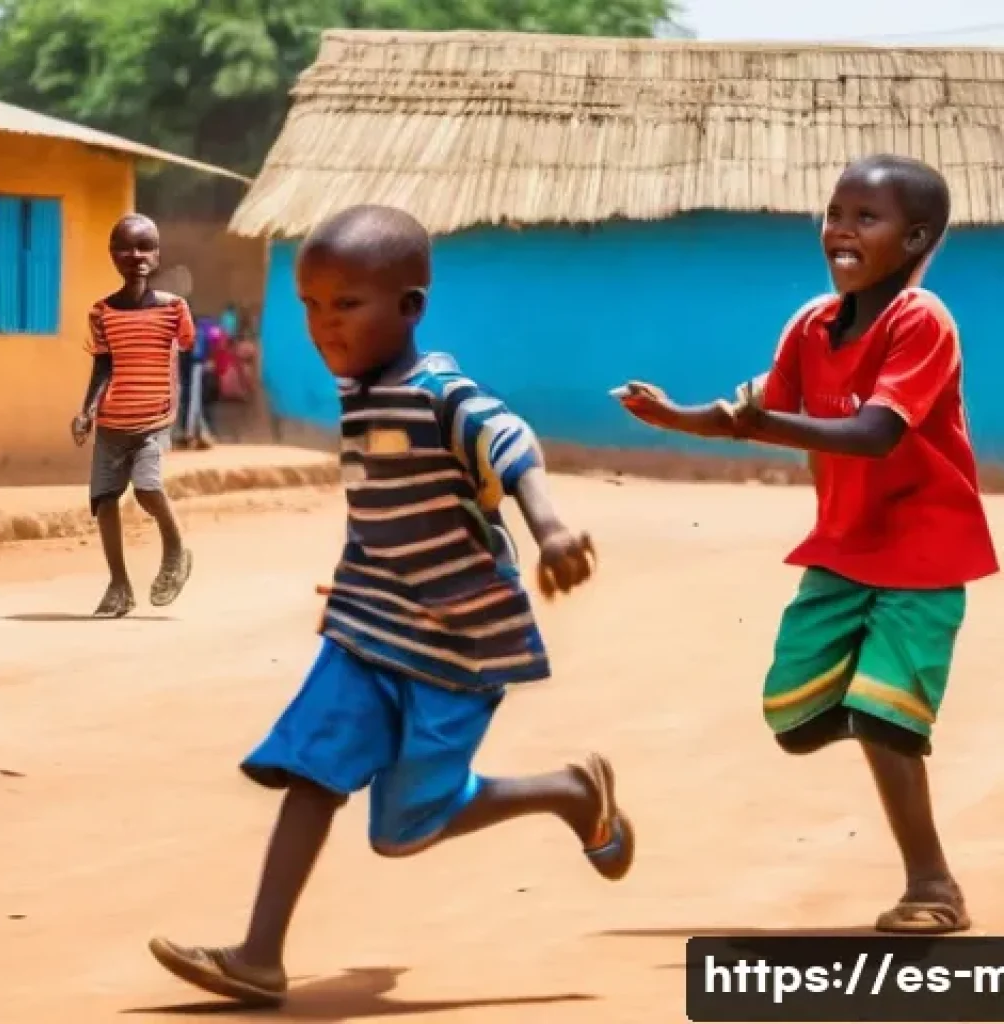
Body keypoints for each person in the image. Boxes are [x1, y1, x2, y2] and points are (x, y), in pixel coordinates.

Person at [147, 205, 634, 1007]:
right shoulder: (357, 388)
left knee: (403, 828)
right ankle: (259, 956)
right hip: (369, 627)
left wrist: (549, 530)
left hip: (458, 644)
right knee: (311, 766)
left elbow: (511, 443)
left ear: (410, 306)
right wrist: (355, 579)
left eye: (346, 305)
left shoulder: (441, 393)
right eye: (310, 306)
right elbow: (380, 504)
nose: (324, 325)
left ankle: (569, 793)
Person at [617, 155, 998, 935]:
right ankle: (878, 710)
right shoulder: (811, 325)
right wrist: (678, 417)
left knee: (885, 718)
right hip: (843, 547)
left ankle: (934, 888)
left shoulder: (920, 322)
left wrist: (761, 423)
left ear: (916, 237)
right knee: (792, 716)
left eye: (867, 217)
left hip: (923, 550)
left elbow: (876, 432)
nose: (841, 230)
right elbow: (751, 407)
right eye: (835, 212)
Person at [71, 214, 196, 618]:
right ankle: (119, 585)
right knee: (105, 502)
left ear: (157, 255)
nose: (137, 256)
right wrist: (87, 411)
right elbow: (102, 367)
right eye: (127, 247)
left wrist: (172, 403)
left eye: (146, 247)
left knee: (147, 489)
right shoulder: (101, 312)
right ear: (113, 256)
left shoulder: (174, 309)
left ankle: (176, 547)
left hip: (153, 421)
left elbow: (183, 351)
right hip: (111, 423)